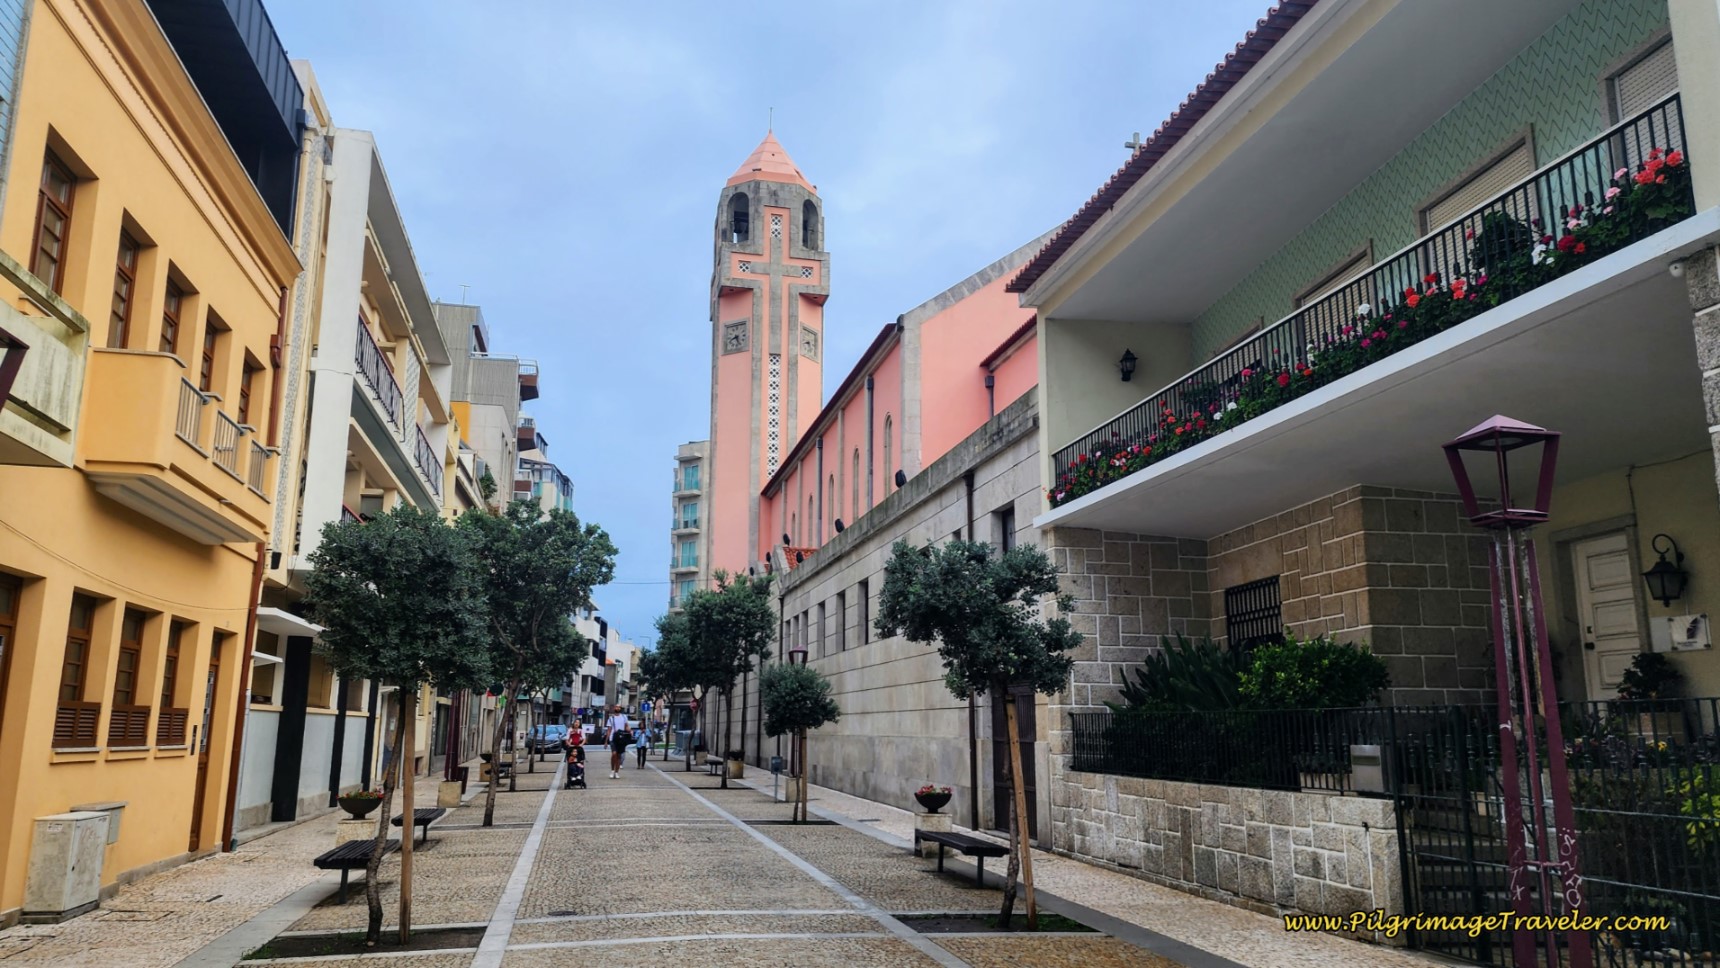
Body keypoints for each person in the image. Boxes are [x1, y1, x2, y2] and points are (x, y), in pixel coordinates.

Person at [604, 704, 630, 779]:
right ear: (614, 708)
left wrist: (629, 730)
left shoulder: (624, 717)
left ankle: (616, 772)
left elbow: (626, 726)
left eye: (619, 707)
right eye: (616, 707)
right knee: (614, 754)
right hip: (613, 738)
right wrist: (606, 741)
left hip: (621, 739)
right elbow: (609, 730)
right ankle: (612, 770)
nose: (617, 708)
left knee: (619, 756)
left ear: (620, 708)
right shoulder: (611, 718)